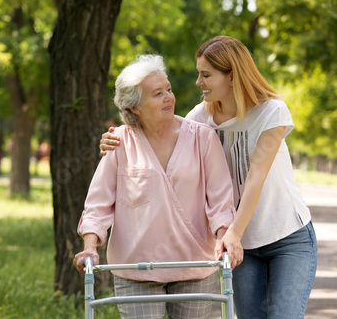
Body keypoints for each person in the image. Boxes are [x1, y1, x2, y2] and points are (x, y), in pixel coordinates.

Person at [100, 36, 318, 319]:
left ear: (232, 76)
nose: (198, 82)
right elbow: (159, 129)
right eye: (198, 74)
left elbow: (255, 178)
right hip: (240, 246)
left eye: (206, 75)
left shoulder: (272, 111)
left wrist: (233, 234)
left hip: (287, 237)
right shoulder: (200, 118)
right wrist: (116, 139)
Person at [73, 54, 236, 319]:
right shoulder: (119, 142)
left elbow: (220, 204)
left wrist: (224, 238)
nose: (169, 97)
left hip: (194, 266)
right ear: (134, 107)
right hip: (136, 270)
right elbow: (98, 205)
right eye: (157, 93)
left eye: (168, 89)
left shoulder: (203, 138)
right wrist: (90, 247)